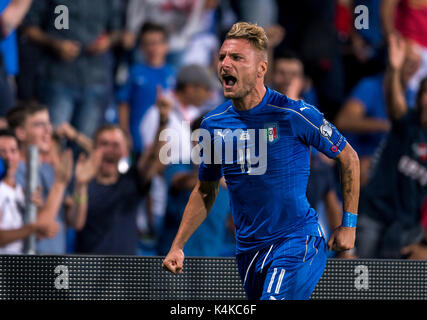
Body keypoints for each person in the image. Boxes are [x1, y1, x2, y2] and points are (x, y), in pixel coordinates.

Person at [162, 22, 360, 300]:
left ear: (261, 69)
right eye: (222, 57)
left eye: (237, 58)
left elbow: (349, 157)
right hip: (249, 251)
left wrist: (348, 225)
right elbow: (206, 189)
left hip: (296, 241)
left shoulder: (295, 114)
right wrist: (177, 245)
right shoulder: (213, 124)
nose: (225, 64)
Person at [356, 34, 427, 259]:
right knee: (362, 282)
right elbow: (395, 104)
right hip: (374, 214)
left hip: (408, 228)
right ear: (421, 97)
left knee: (394, 289)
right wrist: (394, 70)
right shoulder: (408, 121)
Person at [22, 0, 122, 137]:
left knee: (86, 144)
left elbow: (119, 31)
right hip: (57, 76)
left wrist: (107, 42)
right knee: (53, 139)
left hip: (95, 78)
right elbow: (29, 27)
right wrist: (54, 43)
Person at [70, 122, 165, 255]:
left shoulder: (132, 180)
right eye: (104, 144)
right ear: (94, 148)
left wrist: (162, 122)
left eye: (115, 145)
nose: (110, 150)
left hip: (125, 270)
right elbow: (75, 223)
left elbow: (154, 158)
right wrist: (80, 185)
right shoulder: (83, 183)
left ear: (125, 151)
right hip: (89, 270)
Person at [6, 102, 75, 254]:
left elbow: (75, 222)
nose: (48, 130)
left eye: (49, 123)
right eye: (39, 124)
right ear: (21, 133)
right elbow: (39, 227)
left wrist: (81, 187)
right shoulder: (11, 172)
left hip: (56, 262)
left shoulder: (50, 170)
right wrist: (60, 183)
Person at [117, 22, 176, 155]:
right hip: (137, 137)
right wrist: (125, 133)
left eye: (157, 42)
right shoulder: (134, 72)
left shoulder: (173, 74)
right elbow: (123, 104)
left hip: (166, 139)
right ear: (142, 47)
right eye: (148, 43)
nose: (153, 48)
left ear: (166, 46)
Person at [0, 129, 57, 254]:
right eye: (2, 152)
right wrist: (33, 228)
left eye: (13, 151)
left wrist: (40, 213)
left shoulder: (21, 191)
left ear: (19, 155)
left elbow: (37, 235)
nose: (8, 157)